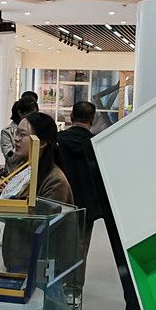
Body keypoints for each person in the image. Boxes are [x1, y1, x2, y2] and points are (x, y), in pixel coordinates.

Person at [0, 112, 74, 310]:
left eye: (22, 134)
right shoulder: (22, 171)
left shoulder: (55, 181)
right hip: (16, 266)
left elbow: (40, 228)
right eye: (15, 133)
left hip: (42, 271)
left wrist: (7, 205)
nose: (16, 139)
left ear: (41, 143)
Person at [54, 101, 103, 291]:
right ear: (93, 119)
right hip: (86, 206)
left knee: (56, 243)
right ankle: (74, 289)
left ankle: (54, 285)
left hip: (60, 201)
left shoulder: (58, 140)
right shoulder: (96, 144)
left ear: (71, 117)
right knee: (80, 246)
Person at [0, 96, 38, 163]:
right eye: (31, 114)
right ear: (20, 113)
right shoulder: (7, 131)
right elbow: (10, 158)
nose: (34, 117)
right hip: (17, 168)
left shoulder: (37, 128)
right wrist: (23, 146)